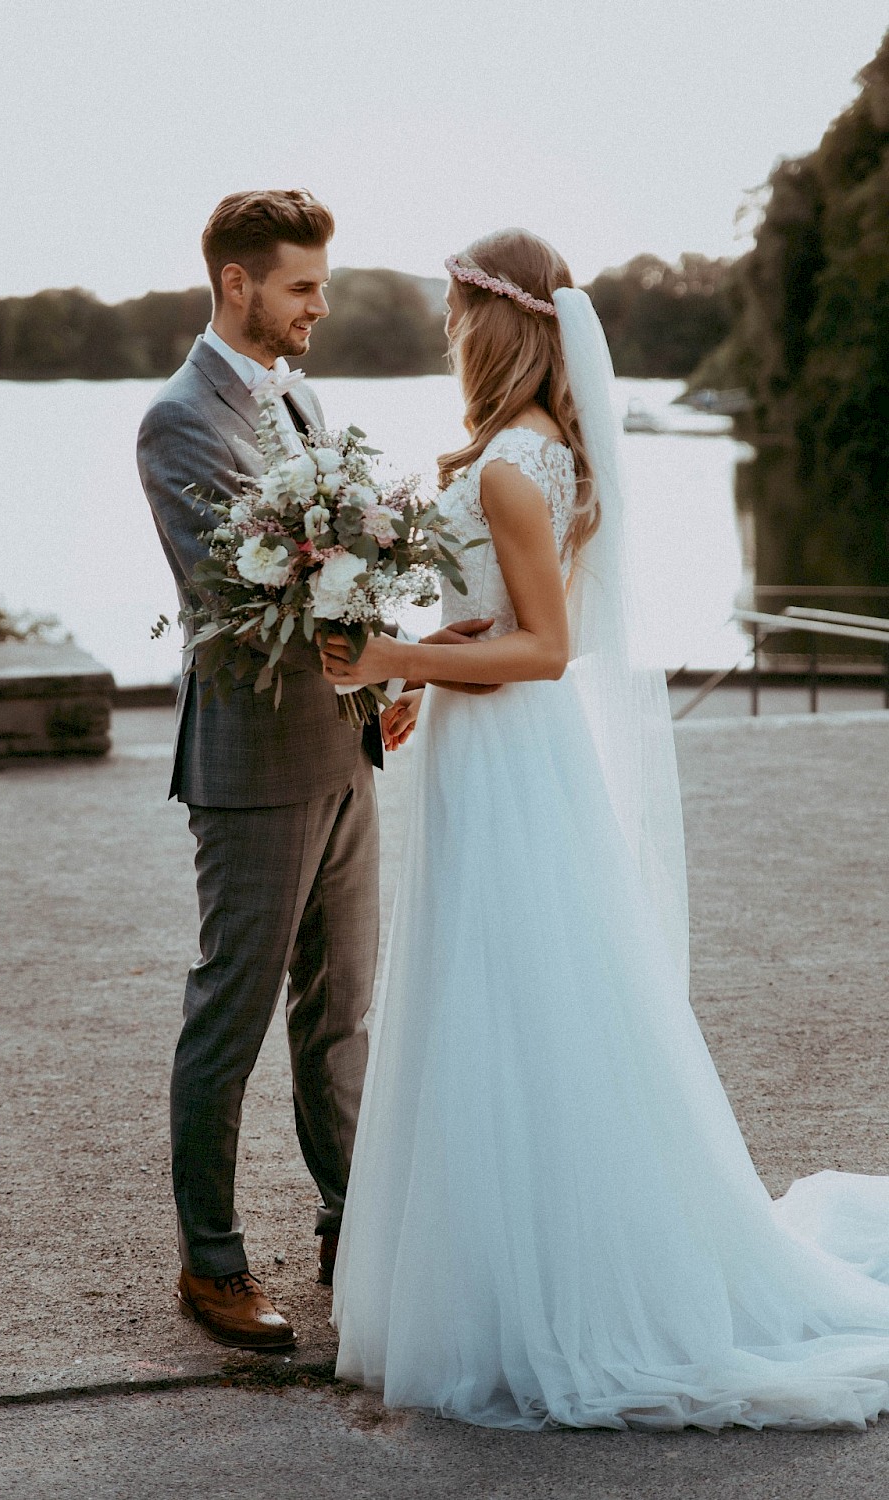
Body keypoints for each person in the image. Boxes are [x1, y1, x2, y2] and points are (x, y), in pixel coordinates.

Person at [324, 228, 889, 1430]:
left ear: (493, 320)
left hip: (514, 767)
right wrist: (431, 672)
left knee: (516, 1004)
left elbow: (548, 648)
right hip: (500, 755)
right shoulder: (527, 453)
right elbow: (505, 627)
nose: (445, 332)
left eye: (453, 312)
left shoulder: (511, 468)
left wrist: (389, 654)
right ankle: (503, 1263)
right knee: (518, 1002)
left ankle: (550, 1292)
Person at [136, 189, 489, 1351]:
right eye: (301, 287)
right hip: (251, 763)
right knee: (230, 1016)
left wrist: (383, 680)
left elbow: (337, 575)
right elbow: (237, 599)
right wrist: (357, 596)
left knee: (341, 1015)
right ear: (237, 284)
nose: (319, 309)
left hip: (343, 747)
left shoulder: (303, 397)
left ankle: (356, 1225)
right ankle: (214, 1267)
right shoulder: (176, 421)